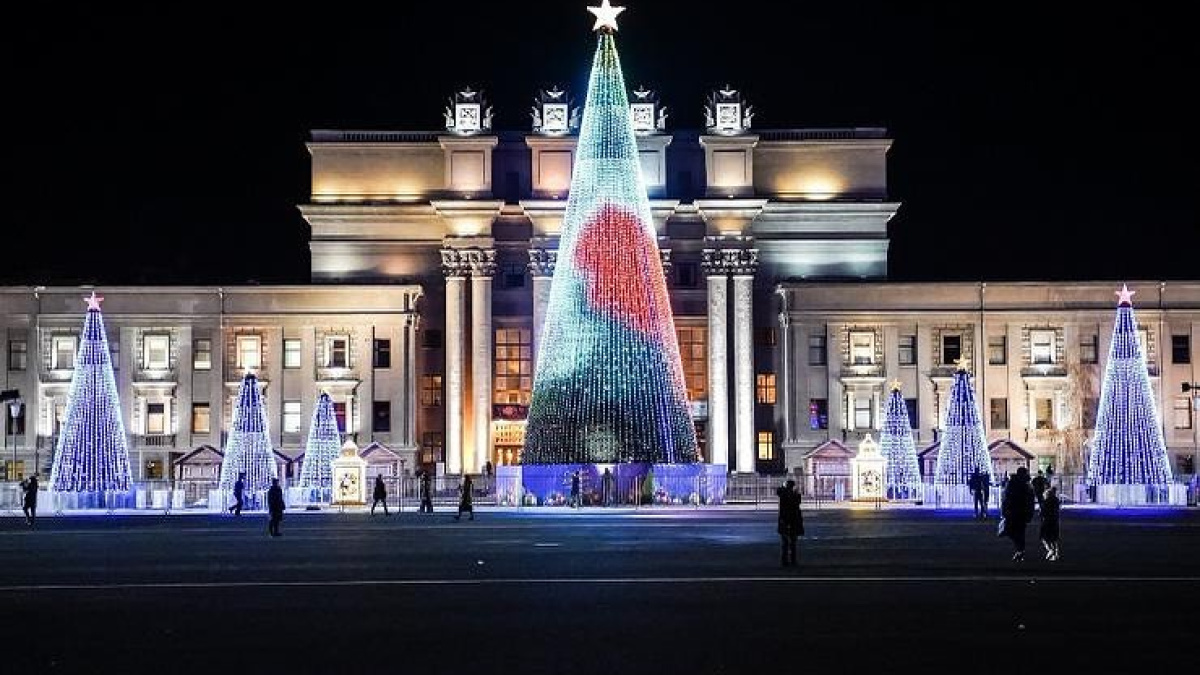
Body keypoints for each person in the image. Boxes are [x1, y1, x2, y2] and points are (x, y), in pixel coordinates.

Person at [1000, 466, 1036, 561]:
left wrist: (1004, 510)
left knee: (1016, 532)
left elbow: (1006, 498)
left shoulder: (1017, 484)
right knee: (1016, 532)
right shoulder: (1023, 484)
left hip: (1016, 512)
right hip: (1018, 512)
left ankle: (1020, 551)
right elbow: (1030, 500)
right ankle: (1020, 550)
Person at [776, 479, 804, 567]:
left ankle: (785, 561)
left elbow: (779, 491)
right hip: (792, 520)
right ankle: (792, 560)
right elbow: (797, 503)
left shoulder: (784, 495)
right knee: (792, 542)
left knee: (786, 542)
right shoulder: (793, 495)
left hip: (785, 520)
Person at [1040, 486, 1062, 561]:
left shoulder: (1046, 502)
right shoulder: (1056, 501)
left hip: (1047, 521)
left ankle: (1050, 550)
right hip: (1055, 521)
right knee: (1054, 538)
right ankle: (1056, 554)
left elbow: (1042, 512)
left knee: (1044, 537)